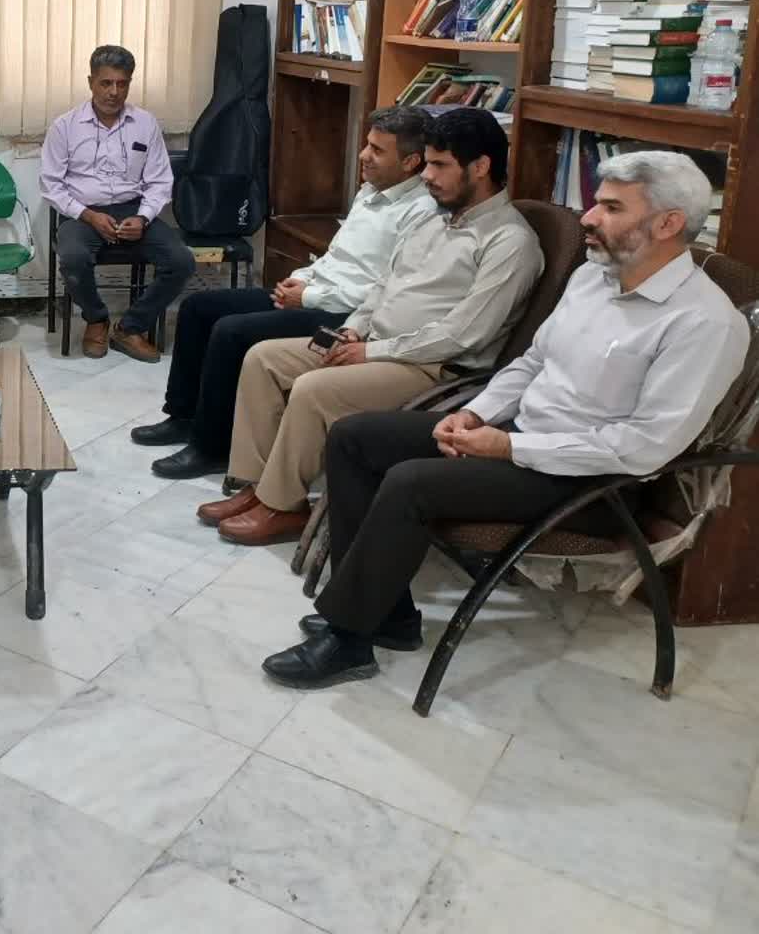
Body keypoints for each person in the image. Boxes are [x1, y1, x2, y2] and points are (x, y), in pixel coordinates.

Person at [263, 150, 749, 688]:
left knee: (411, 483)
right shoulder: (594, 278)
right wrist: (474, 414)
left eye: (612, 208)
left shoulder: (705, 323)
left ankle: (349, 638)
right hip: (519, 438)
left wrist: (509, 448)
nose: (588, 218)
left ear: (668, 223)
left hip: (594, 482)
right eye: (596, 204)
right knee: (356, 437)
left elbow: (645, 445)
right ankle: (387, 615)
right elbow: (533, 362)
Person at [199, 108, 543, 546]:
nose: (427, 176)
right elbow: (386, 283)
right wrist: (356, 328)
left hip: (433, 368)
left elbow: (463, 335)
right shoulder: (434, 218)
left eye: (440, 165)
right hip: (374, 343)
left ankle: (282, 506)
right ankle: (257, 486)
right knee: (263, 359)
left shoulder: (510, 243)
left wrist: (371, 352)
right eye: (427, 163)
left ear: (480, 167)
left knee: (313, 389)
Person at [136, 107, 437, 477]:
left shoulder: (422, 213)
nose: (363, 155)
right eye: (367, 145)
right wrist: (299, 279)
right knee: (199, 307)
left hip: (343, 316)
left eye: (377, 150)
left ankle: (212, 447)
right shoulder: (370, 191)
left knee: (231, 332)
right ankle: (183, 416)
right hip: (315, 293)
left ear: (410, 162)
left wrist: (306, 297)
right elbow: (337, 257)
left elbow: (382, 289)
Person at [40, 45, 191, 363]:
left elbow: (160, 181)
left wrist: (144, 217)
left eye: (122, 84)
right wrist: (89, 216)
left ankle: (130, 327)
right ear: (91, 82)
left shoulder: (145, 123)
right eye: (106, 83)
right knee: (73, 258)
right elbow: (51, 185)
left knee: (181, 261)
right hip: (82, 214)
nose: (114, 92)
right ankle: (96, 319)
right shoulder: (65, 126)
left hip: (133, 210)